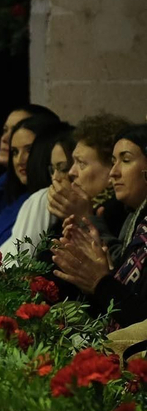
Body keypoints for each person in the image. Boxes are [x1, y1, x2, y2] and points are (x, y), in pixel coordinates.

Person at [54, 124, 147, 333]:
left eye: (125, 160)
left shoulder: (116, 211)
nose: (114, 172)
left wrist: (100, 280)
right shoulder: (133, 216)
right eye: (113, 162)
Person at [49, 113, 135, 243]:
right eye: (73, 162)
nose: (71, 172)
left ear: (111, 169)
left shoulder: (120, 213)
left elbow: (111, 255)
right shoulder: (81, 207)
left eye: (81, 163)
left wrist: (84, 220)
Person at [5, 124, 73, 262]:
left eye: (63, 168)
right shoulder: (26, 198)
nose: (20, 160)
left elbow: (21, 264)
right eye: (15, 152)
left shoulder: (43, 198)